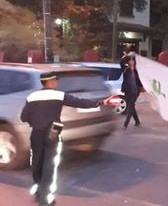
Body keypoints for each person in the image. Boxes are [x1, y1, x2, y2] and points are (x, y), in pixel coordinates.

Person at [20, 72, 110, 206]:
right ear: (50, 82)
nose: (57, 83)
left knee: (37, 162)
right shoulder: (59, 95)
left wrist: (36, 120)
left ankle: (38, 190)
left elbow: (23, 117)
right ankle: (45, 200)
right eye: (55, 81)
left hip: (36, 134)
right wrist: (100, 102)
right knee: (49, 166)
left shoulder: (32, 96)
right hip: (53, 134)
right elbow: (80, 103)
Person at [122, 55, 144, 130]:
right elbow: (121, 62)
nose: (131, 61)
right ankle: (137, 121)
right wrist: (127, 55)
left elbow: (140, 81)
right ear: (127, 62)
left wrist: (142, 87)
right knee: (131, 106)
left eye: (132, 60)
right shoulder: (126, 70)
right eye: (130, 60)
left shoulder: (137, 71)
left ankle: (125, 124)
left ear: (135, 62)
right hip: (128, 91)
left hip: (135, 91)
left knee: (130, 107)